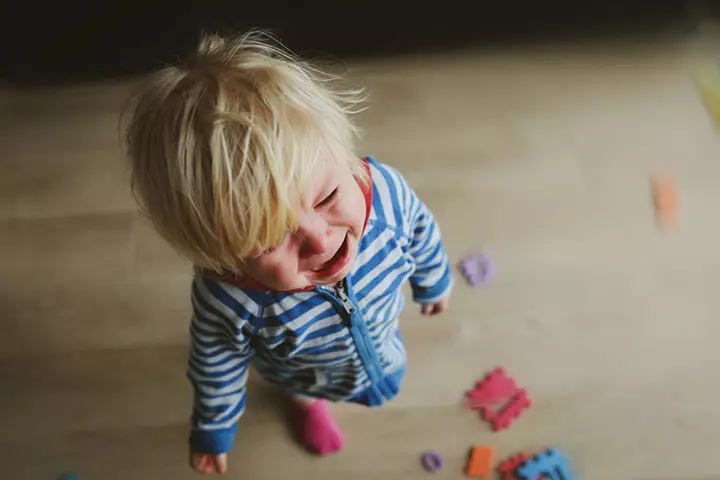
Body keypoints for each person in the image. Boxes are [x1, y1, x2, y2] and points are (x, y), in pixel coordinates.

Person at [123, 30, 453, 475]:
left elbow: (421, 230)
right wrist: (213, 427)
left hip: (380, 323)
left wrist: (433, 280)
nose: (319, 239)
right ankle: (307, 405)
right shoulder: (230, 301)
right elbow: (214, 364)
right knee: (303, 388)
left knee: (379, 342)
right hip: (302, 371)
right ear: (223, 256)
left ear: (345, 156)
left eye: (327, 197)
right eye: (271, 239)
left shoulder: (386, 195)